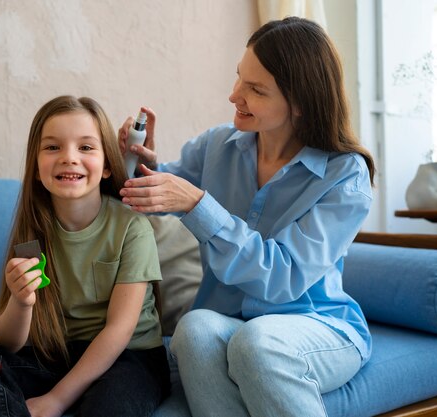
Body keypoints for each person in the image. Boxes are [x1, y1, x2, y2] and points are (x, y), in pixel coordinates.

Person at [118, 17, 376, 417]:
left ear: (301, 103)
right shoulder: (218, 145)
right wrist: (140, 162)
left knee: (258, 341)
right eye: (240, 78)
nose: (234, 95)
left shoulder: (345, 175)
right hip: (233, 326)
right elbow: (157, 191)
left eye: (255, 90)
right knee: (195, 328)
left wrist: (197, 205)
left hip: (317, 327)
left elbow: (283, 275)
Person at [0, 95, 170, 417]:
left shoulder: (132, 228)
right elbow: (10, 344)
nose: (69, 158)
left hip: (129, 357)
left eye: (85, 147)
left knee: (109, 407)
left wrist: (56, 399)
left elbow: (119, 331)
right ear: (37, 169)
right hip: (57, 355)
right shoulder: (34, 229)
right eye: (53, 147)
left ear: (108, 165)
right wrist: (21, 302)